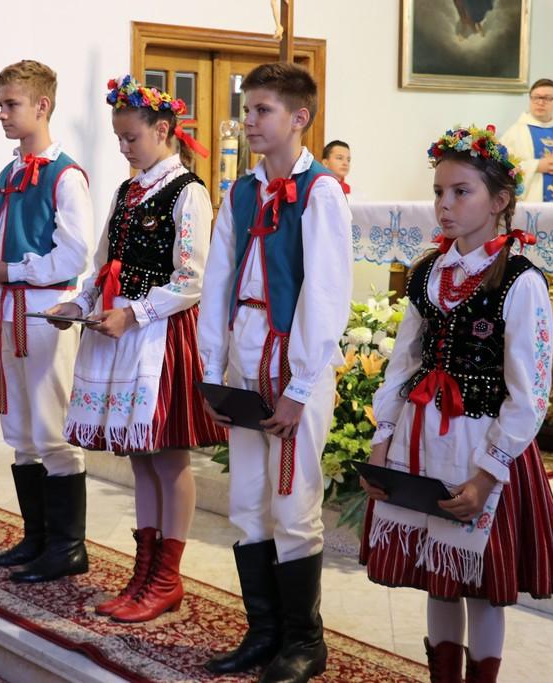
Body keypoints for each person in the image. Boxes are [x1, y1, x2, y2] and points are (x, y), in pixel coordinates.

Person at [359, 125, 553, 683]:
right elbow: (403, 364)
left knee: (479, 586)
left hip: (482, 450)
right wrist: (382, 440)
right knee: (438, 577)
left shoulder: (520, 282)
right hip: (421, 441)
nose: (445, 205)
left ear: (499, 201)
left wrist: (486, 475)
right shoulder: (427, 274)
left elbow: (530, 393)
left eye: (461, 192)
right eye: (439, 192)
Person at [197, 62, 352, 682]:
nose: (250, 121)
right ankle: (262, 633)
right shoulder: (240, 192)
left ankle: (304, 642)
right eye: (247, 110)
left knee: (292, 505)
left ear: (299, 117)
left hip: (293, 362)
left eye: (263, 110)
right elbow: (217, 281)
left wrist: (300, 386)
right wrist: (212, 371)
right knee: (246, 502)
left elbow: (326, 294)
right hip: (244, 354)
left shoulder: (321, 192)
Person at [51, 75, 226, 623]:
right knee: (140, 461)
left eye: (132, 137)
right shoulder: (126, 193)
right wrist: (78, 304)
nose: (124, 148)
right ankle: (144, 570)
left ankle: (167, 577)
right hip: (121, 330)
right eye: (119, 139)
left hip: (159, 335)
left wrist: (134, 314)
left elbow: (192, 279)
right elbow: (105, 265)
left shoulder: (188, 191)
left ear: (163, 130)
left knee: (168, 460)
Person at [0, 60, 94, 583]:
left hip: (43, 314)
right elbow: (3, 243)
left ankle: (67, 546)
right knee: (19, 431)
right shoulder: (9, 173)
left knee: (52, 429)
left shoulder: (66, 175)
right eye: (0, 104)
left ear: (42, 105)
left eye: (10, 104)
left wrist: (7, 271)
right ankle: (37, 537)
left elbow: (75, 256)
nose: (1, 114)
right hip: (5, 308)